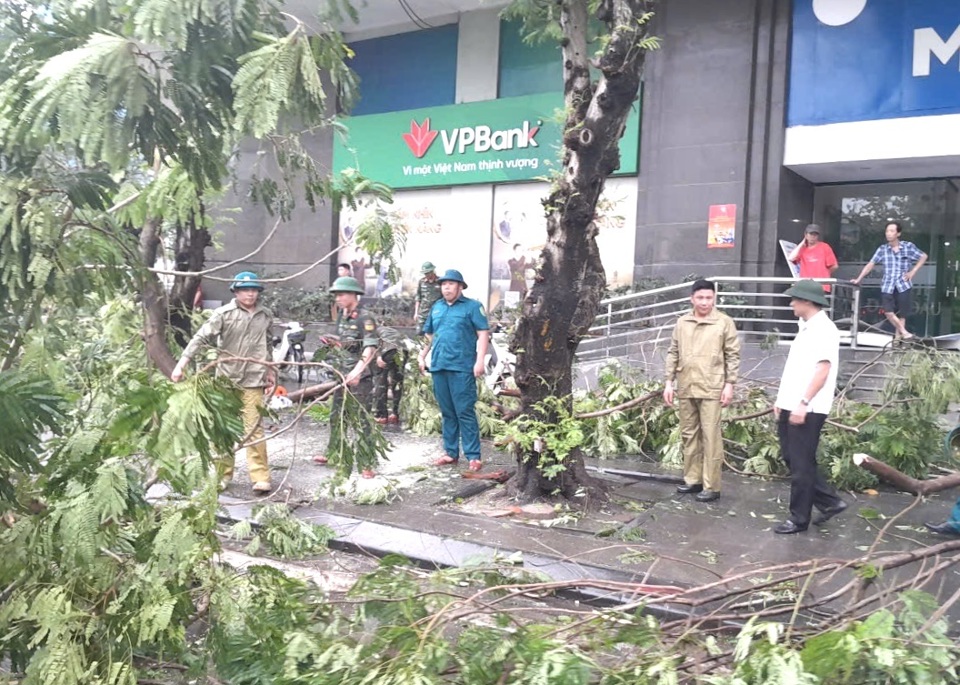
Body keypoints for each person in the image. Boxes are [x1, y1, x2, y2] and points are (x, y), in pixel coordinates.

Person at [170, 271, 275, 494]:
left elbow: (268, 344)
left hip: (254, 379)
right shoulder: (223, 314)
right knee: (224, 429)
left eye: (254, 290)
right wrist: (181, 364)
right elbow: (200, 337)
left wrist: (270, 370)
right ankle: (221, 475)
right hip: (226, 380)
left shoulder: (265, 315)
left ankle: (260, 477)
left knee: (254, 428)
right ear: (236, 292)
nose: (250, 294)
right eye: (246, 290)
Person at [772, 279, 848, 534]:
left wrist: (803, 404)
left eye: (794, 298)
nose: (791, 302)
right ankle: (829, 501)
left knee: (801, 465)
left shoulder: (824, 330)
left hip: (808, 407)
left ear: (806, 301)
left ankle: (799, 518)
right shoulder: (805, 327)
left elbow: (822, 370)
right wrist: (782, 402)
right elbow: (795, 371)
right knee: (792, 458)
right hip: (791, 404)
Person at [663, 280, 741, 503]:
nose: (705, 302)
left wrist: (730, 384)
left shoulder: (724, 322)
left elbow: (733, 355)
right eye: (700, 298)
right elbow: (673, 352)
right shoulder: (682, 322)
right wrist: (668, 382)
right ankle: (692, 479)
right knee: (689, 434)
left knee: (711, 436)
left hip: (712, 386)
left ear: (714, 298)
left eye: (709, 298)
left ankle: (711, 485)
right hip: (686, 385)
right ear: (692, 298)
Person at [418, 269, 489, 472]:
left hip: (462, 367)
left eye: (451, 284)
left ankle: (473, 456)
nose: (446, 287)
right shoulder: (437, 307)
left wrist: (480, 361)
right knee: (447, 412)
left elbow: (483, 333)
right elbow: (429, 335)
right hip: (439, 366)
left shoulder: (472, 307)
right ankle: (450, 453)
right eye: (443, 284)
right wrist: (422, 355)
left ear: (460, 287)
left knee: (464, 411)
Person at [313, 276, 379, 478]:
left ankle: (367, 461)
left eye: (341, 294)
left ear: (353, 295)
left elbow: (370, 347)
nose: (338, 298)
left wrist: (358, 371)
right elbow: (347, 343)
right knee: (337, 416)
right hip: (341, 374)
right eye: (336, 295)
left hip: (359, 378)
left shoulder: (365, 318)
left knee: (362, 420)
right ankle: (334, 452)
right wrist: (333, 342)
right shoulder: (342, 315)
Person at [851, 221, 928, 339]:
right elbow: (870, 265)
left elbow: (923, 256)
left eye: (892, 231)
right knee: (888, 312)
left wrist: (913, 271)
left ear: (898, 233)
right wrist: (859, 279)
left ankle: (898, 342)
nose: (889, 234)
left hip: (903, 284)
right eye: (887, 231)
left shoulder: (907, 246)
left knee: (902, 315)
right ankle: (905, 333)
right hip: (888, 284)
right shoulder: (882, 249)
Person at [788, 224, 838, 292]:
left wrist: (824, 274)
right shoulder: (802, 249)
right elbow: (791, 258)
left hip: (821, 286)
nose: (813, 237)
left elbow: (834, 266)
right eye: (811, 234)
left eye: (815, 235)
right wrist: (802, 242)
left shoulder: (825, 247)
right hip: (805, 286)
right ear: (806, 235)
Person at [373, 326, 407, 425]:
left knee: (381, 381)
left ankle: (381, 415)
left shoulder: (371, 330)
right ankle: (395, 414)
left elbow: (373, 344)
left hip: (388, 351)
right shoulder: (392, 330)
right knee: (397, 382)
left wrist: (378, 357)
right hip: (403, 351)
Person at [413, 261, 442, 335]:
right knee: (419, 333)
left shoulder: (440, 281)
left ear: (432, 271)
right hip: (423, 313)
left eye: (427, 273)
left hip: (436, 313)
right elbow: (418, 297)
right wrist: (416, 313)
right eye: (425, 273)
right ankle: (422, 347)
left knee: (434, 334)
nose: (426, 275)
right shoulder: (421, 282)